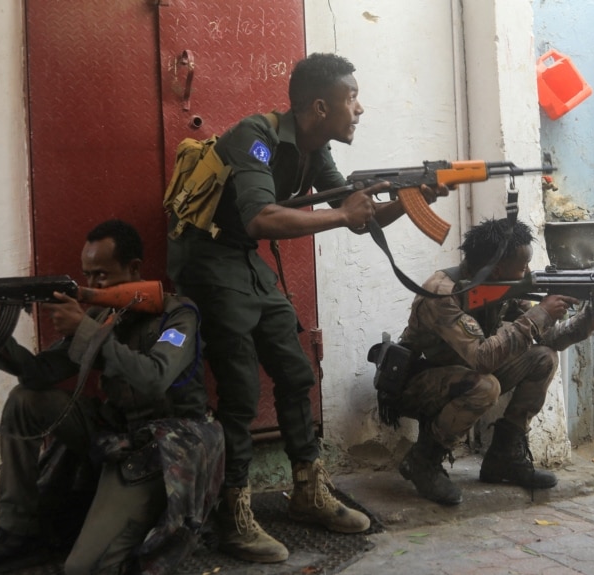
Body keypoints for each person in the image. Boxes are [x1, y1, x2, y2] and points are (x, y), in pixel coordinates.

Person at [166, 52, 447, 563]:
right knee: (240, 388)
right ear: (320, 106)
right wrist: (342, 213)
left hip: (243, 260)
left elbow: (356, 216)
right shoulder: (255, 136)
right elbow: (260, 218)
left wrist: (412, 199)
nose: (360, 108)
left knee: (295, 372)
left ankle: (307, 492)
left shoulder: (315, 149)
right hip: (206, 258)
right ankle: (233, 514)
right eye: (351, 98)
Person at [0, 219, 223, 575]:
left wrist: (85, 329)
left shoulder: (177, 315)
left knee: (83, 568)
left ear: (133, 269)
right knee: (26, 400)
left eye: (102, 275)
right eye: (87, 275)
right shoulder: (103, 314)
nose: (92, 285)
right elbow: (38, 373)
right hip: (117, 434)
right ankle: (16, 534)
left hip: (165, 448)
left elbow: (154, 378)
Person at [389, 218, 594, 505]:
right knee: (486, 386)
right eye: (522, 267)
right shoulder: (442, 293)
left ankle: (504, 456)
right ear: (497, 268)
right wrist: (539, 314)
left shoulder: (500, 286)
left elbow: (551, 340)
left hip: (462, 374)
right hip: (416, 383)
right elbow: (483, 359)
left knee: (543, 359)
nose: (528, 274)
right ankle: (422, 461)